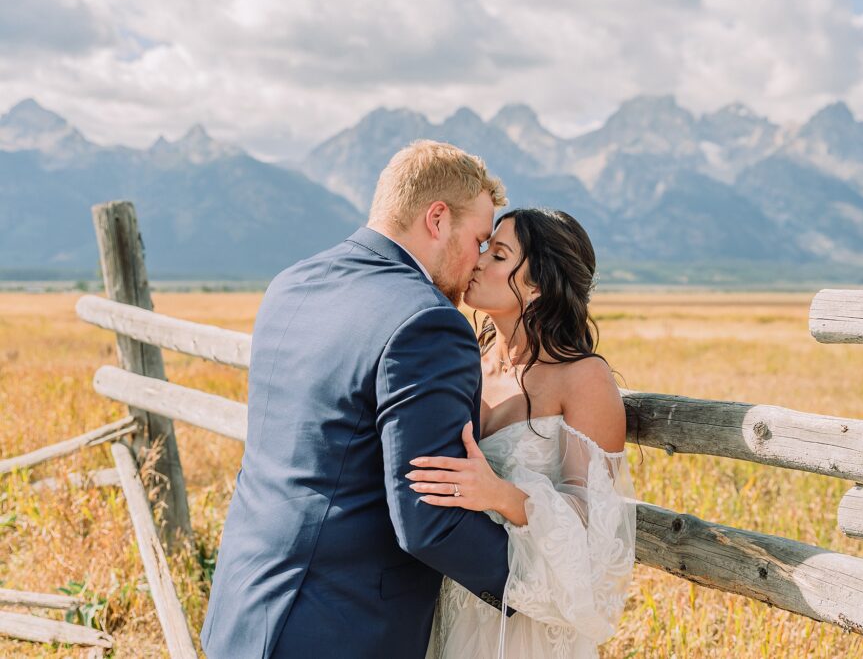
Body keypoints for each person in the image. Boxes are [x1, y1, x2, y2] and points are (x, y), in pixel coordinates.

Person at [200, 140, 517, 658]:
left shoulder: (292, 283)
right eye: (480, 238)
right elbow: (429, 520)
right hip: (340, 630)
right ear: (437, 219)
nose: (478, 261)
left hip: (243, 609)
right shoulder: (427, 322)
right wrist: (540, 584)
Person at [409, 208, 637, 658]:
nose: (476, 261)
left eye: (498, 255)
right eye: (484, 248)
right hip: (453, 598)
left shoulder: (582, 378)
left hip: (530, 625)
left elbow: (596, 521)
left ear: (536, 285)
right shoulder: (467, 363)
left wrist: (500, 495)